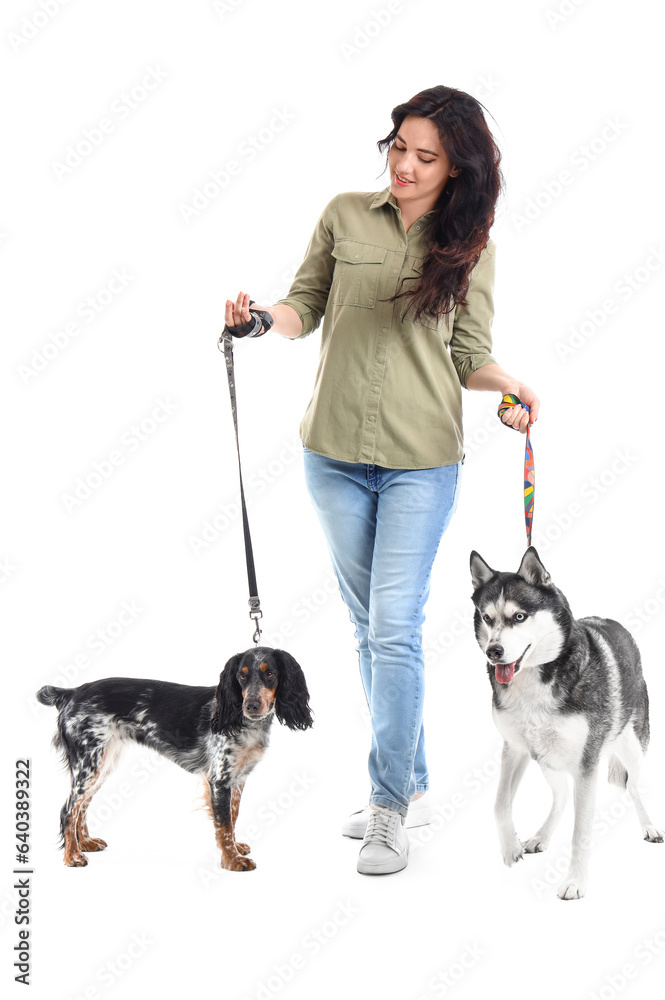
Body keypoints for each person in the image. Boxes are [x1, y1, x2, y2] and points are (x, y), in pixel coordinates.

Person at [223, 85, 540, 875]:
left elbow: (468, 355)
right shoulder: (342, 215)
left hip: (419, 463)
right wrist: (259, 320)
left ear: (456, 169)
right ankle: (417, 780)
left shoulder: (471, 248)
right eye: (397, 146)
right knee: (370, 627)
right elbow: (303, 305)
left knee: (393, 627)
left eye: (424, 155)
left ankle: (389, 805)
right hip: (330, 453)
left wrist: (514, 390)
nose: (403, 164)